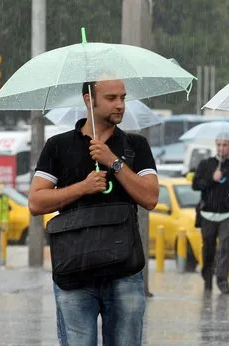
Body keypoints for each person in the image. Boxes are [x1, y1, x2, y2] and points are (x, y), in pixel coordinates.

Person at [28, 78, 159, 346]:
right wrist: (82, 188)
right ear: (89, 99)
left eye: (123, 97)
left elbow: (150, 197)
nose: (120, 105)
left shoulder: (137, 145)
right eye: (111, 98)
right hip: (74, 269)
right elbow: (36, 203)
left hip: (124, 269)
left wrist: (113, 161)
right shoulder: (57, 146)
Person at [192, 131, 229, 295]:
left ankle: (222, 281)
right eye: (219, 145)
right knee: (208, 249)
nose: (221, 148)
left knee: (225, 248)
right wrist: (212, 179)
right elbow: (195, 185)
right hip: (207, 215)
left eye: (225, 145)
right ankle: (207, 276)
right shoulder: (205, 164)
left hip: (227, 215)